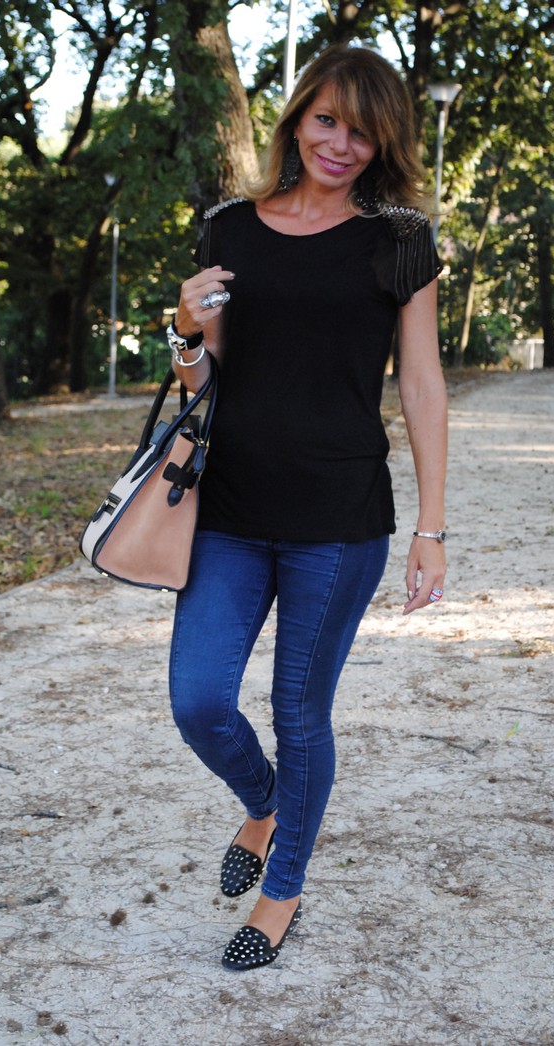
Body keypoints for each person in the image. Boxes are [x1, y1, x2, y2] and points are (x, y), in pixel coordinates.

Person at [165, 43, 447, 972]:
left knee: (299, 711)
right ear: (297, 120)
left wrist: (432, 528)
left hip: (339, 517)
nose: (339, 143)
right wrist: (185, 333)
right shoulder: (228, 228)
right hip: (231, 510)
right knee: (200, 700)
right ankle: (264, 804)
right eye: (326, 119)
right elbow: (207, 376)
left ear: (383, 144)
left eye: (362, 132)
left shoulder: (399, 241)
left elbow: (422, 384)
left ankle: (281, 890)